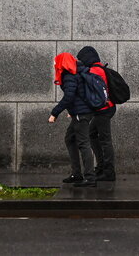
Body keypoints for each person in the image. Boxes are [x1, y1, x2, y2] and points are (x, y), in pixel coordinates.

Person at [48, 52, 96, 186]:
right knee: (70, 139)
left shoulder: (69, 75)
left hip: (82, 114)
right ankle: (77, 174)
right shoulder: (76, 72)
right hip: (80, 112)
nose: (54, 65)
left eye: (56, 62)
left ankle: (90, 178)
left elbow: (69, 96)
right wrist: (72, 111)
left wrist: (54, 113)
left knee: (83, 144)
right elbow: (76, 95)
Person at [77, 46, 116, 181]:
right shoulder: (100, 68)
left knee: (105, 140)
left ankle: (109, 173)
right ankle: (101, 167)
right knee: (92, 134)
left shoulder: (94, 71)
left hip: (103, 110)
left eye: (81, 59)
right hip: (106, 109)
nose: (80, 62)